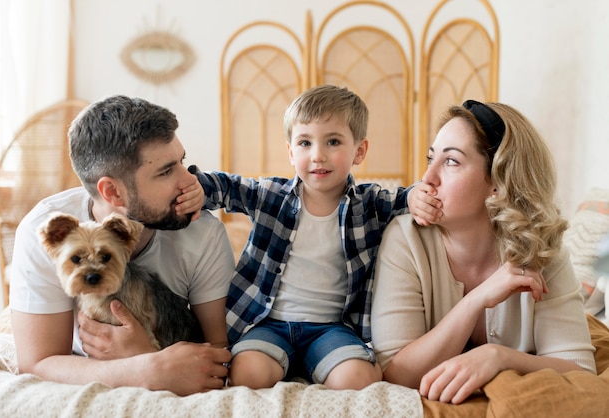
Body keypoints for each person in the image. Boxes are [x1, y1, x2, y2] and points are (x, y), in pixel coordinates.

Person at [191, 84, 443, 390]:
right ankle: (279, 360)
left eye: (333, 142)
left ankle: (315, 363)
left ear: (359, 151)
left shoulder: (370, 203)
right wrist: (197, 188)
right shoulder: (272, 195)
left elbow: (406, 197)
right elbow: (228, 187)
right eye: (305, 143)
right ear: (290, 151)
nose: (318, 155)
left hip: (332, 328)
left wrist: (418, 195)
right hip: (269, 324)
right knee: (246, 375)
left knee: (359, 380)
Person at [371, 99, 597, 404]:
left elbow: (580, 371)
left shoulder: (540, 250)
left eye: (451, 161)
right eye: (430, 159)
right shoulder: (405, 238)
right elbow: (396, 374)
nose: (427, 178)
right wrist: (476, 300)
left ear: (497, 182)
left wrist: (498, 357)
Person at [10, 95, 234, 396]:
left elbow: (220, 351)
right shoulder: (48, 231)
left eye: (181, 161)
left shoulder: (203, 233)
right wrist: (145, 368)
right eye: (166, 171)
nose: (190, 181)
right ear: (113, 192)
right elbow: (38, 363)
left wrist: (144, 353)